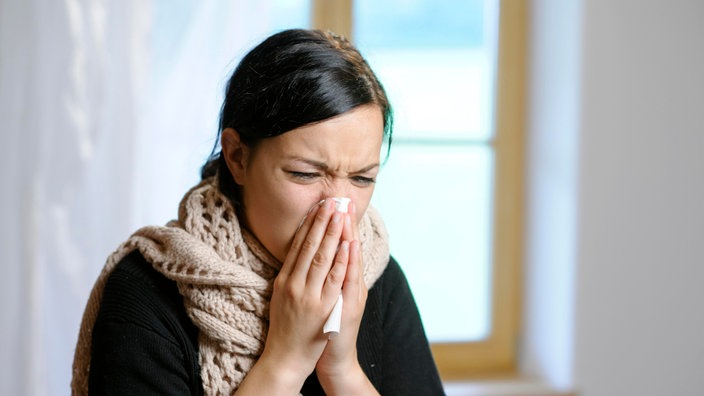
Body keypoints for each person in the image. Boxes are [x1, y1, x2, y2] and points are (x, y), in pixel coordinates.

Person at [72, 28, 444, 395]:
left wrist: (343, 371)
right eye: (306, 174)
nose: (338, 209)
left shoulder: (375, 277)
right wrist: (285, 362)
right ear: (237, 156)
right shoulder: (146, 293)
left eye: (362, 178)